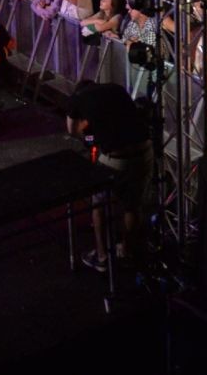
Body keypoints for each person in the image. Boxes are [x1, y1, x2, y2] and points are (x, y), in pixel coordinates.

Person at [67, 82, 153, 272]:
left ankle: (102, 257)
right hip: (145, 151)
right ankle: (127, 250)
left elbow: (73, 130)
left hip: (117, 158)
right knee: (133, 204)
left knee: (99, 204)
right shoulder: (116, 88)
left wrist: (89, 137)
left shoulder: (77, 100)